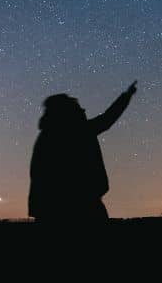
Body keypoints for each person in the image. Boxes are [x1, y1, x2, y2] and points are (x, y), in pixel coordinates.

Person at [29, 80, 137, 226]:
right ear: (67, 111)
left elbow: (38, 175)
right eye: (78, 108)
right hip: (82, 204)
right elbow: (107, 119)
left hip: (52, 207)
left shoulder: (47, 136)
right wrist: (126, 96)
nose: (83, 110)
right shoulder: (76, 130)